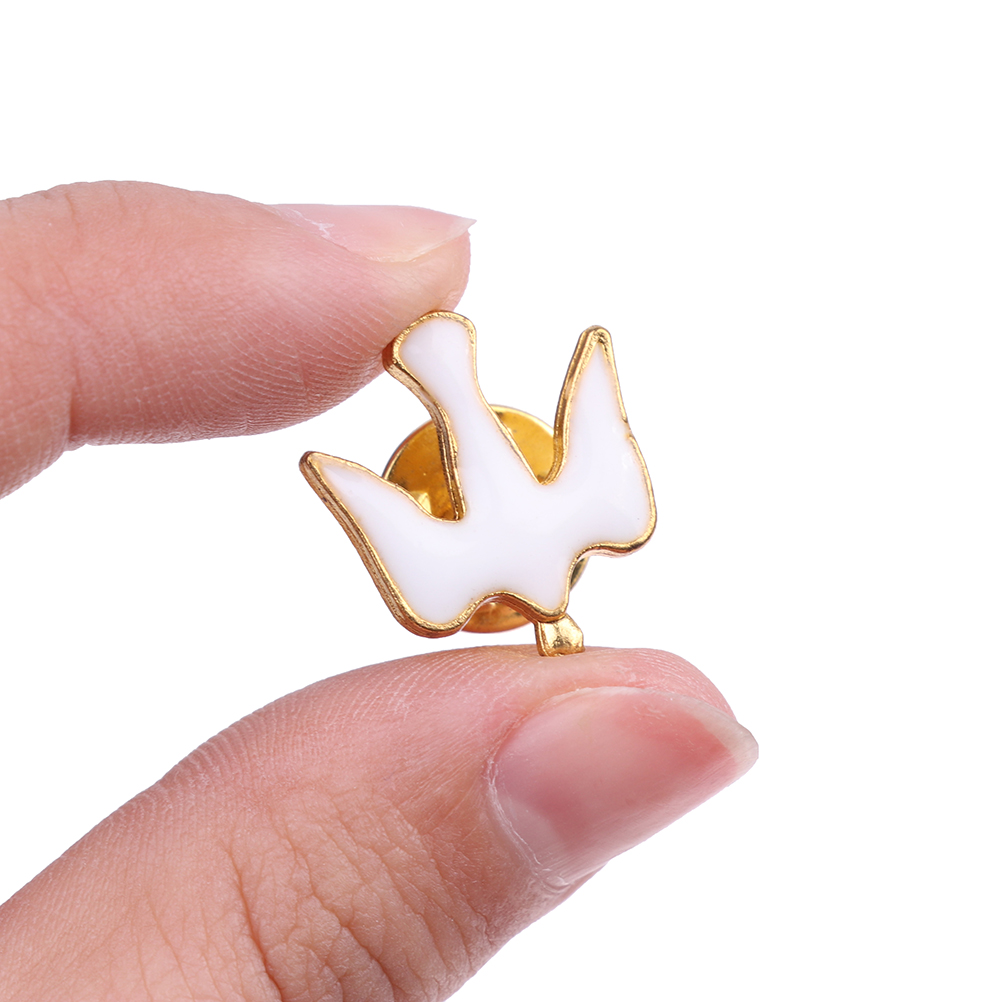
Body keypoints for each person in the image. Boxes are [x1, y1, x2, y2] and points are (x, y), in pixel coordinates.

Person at [0, 182, 758, 1001]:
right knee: (463, 428)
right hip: (468, 465)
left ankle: (445, 374)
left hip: (466, 464)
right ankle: (447, 375)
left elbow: (561, 434)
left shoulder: (519, 557)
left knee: (460, 436)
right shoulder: (579, 531)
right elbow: (569, 433)